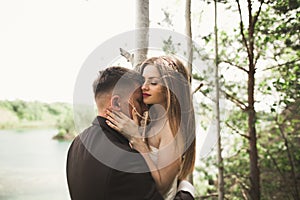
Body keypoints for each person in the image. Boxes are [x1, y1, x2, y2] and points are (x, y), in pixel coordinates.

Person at [66, 66, 195, 200]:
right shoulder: (126, 158)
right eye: (139, 101)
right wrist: (186, 191)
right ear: (116, 103)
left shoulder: (77, 143)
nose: (145, 109)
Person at [106, 56, 196, 200]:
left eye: (153, 82)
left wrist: (137, 141)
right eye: (143, 81)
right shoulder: (150, 122)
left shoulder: (171, 129)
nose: (144, 87)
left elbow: (161, 187)